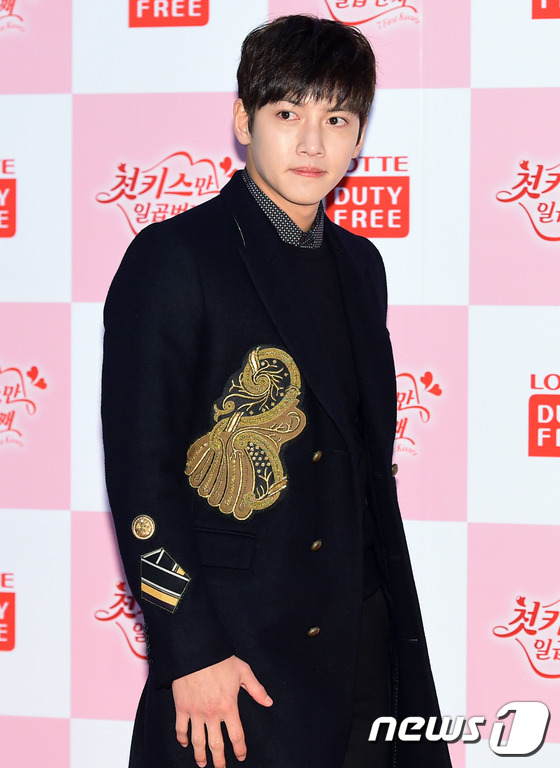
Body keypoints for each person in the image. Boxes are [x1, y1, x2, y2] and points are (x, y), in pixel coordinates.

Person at [101, 14, 452, 768]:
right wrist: (189, 648)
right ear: (244, 120)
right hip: (237, 647)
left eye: (337, 120)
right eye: (288, 114)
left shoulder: (361, 265)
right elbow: (140, 474)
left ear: (359, 138)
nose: (313, 144)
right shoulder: (174, 256)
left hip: (363, 639)